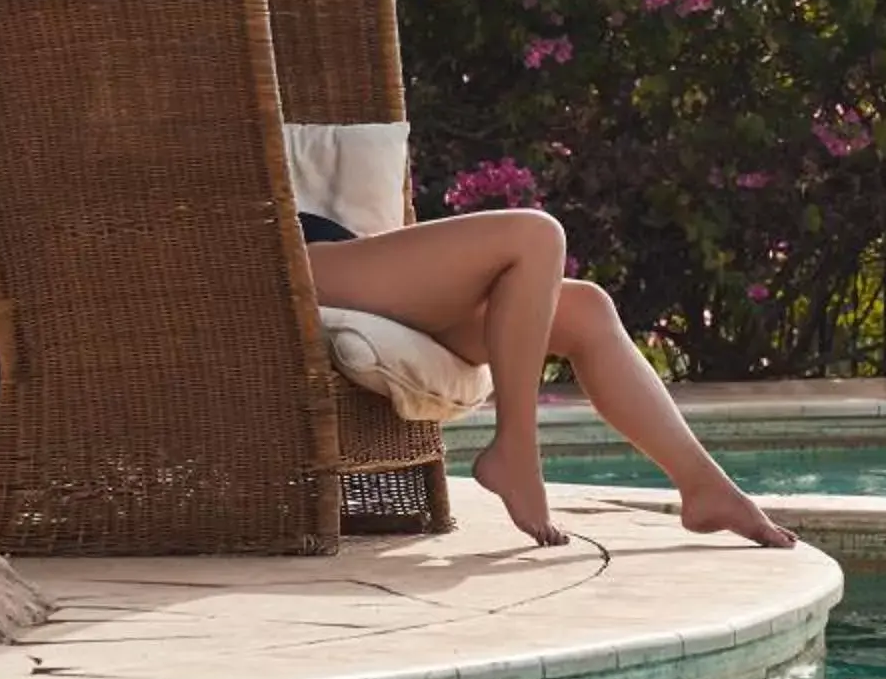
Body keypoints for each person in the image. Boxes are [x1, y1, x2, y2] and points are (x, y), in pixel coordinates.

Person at [298, 208, 793, 552]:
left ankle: (703, 487)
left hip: (343, 253)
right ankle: (516, 452)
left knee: (588, 310)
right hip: (294, 251)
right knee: (536, 235)